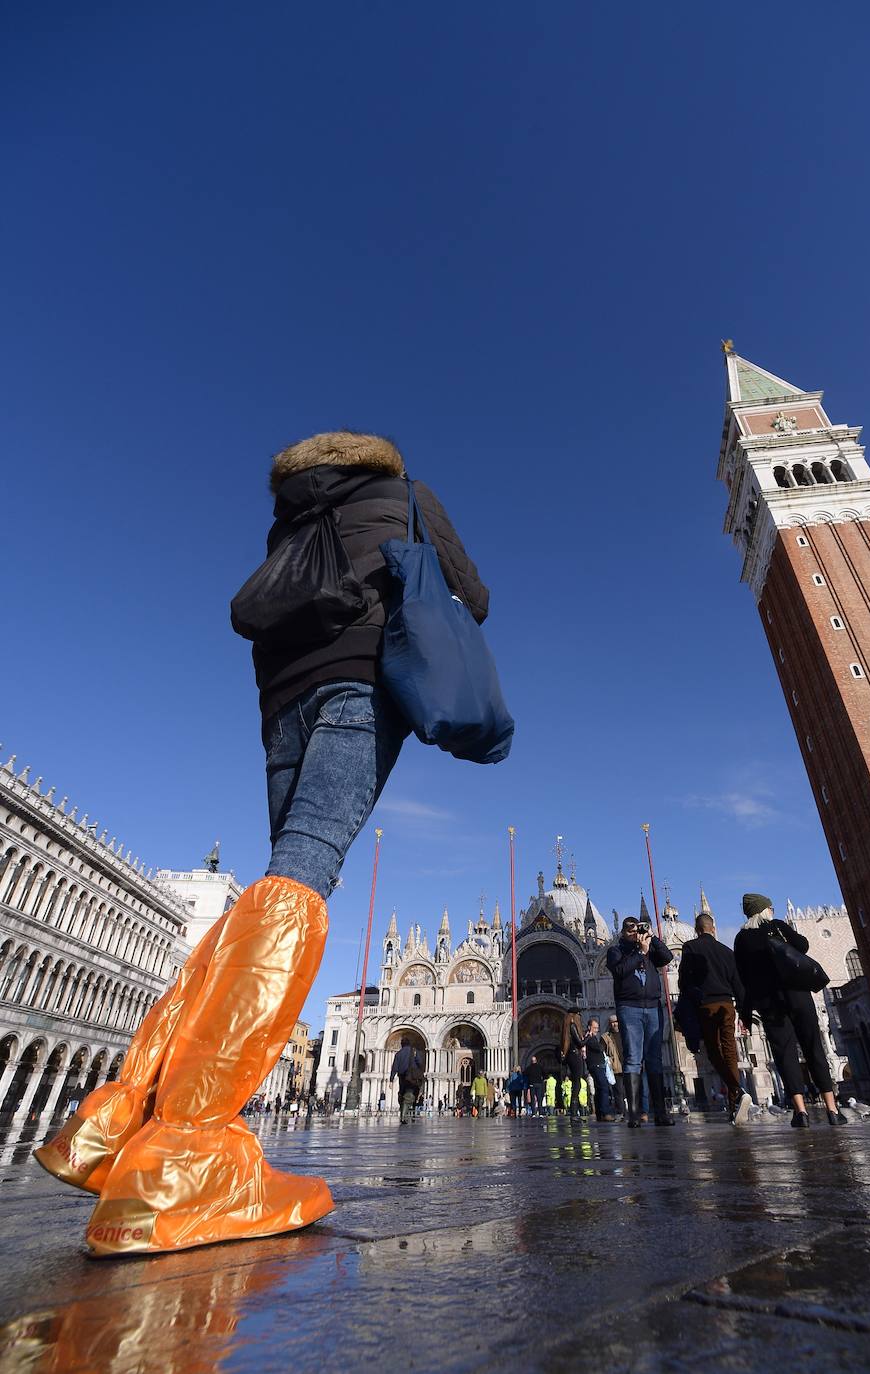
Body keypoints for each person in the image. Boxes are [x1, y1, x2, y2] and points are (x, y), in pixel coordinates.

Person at [38, 431, 491, 1256]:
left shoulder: (291, 519)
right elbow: (474, 598)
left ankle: (120, 1122)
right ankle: (185, 1159)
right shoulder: (407, 497)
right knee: (299, 885)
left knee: (273, 887)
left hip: (280, 708)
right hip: (358, 687)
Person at [733, 894, 846, 1128]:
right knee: (814, 1048)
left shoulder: (741, 939)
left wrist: (745, 1013)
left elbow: (742, 978)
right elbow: (803, 946)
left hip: (769, 1003)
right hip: (798, 995)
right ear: (763, 910)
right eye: (770, 907)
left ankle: (800, 1112)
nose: (772, 910)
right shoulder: (777, 927)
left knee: (785, 1056)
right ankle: (832, 1110)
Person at [679, 912, 753, 1125]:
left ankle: (737, 1092)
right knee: (731, 1051)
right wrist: (745, 1013)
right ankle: (733, 1106)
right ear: (713, 928)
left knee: (713, 1051)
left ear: (696, 929)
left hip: (706, 1005)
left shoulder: (690, 947)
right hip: (728, 1005)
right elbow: (738, 984)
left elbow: (685, 980)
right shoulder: (727, 951)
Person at [607, 916, 676, 1127]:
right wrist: (640, 953)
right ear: (622, 932)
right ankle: (634, 1114)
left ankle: (661, 1113)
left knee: (654, 1060)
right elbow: (619, 971)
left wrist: (652, 938)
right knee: (633, 1059)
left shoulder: (649, 947)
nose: (634, 932)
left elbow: (667, 957)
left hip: (653, 1007)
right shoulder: (615, 951)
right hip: (629, 1008)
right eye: (630, 929)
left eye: (637, 929)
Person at [583, 1018, 616, 1122]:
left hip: (597, 1065)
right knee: (604, 1087)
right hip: (596, 1065)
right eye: (595, 1028)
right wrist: (602, 1045)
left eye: (597, 1028)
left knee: (599, 1089)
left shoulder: (591, 1037)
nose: (597, 1030)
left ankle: (599, 1113)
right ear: (589, 1027)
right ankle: (605, 1112)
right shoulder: (589, 1037)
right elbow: (600, 1048)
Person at [390, 1037, 425, 1123]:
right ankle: (404, 1116)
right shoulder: (414, 1051)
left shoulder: (398, 1054)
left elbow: (394, 1067)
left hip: (402, 1077)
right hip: (411, 1077)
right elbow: (420, 1063)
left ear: (402, 1045)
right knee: (409, 1095)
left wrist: (391, 1080)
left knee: (402, 1094)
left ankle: (404, 1114)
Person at [560, 1008, 586, 1118]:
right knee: (577, 1084)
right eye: (578, 1015)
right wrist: (589, 1036)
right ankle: (574, 1113)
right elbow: (580, 1043)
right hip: (575, 1056)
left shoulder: (566, 1029)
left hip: (571, 1056)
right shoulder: (573, 1026)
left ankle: (574, 1113)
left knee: (576, 1084)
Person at [602, 1015, 625, 1117]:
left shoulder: (625, 1033)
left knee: (630, 1090)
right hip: (615, 1068)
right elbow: (601, 1051)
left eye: (615, 1022)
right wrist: (608, 1061)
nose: (614, 1024)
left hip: (627, 1066)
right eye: (611, 1022)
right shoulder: (606, 1037)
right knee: (618, 1092)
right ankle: (621, 1112)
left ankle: (634, 1112)